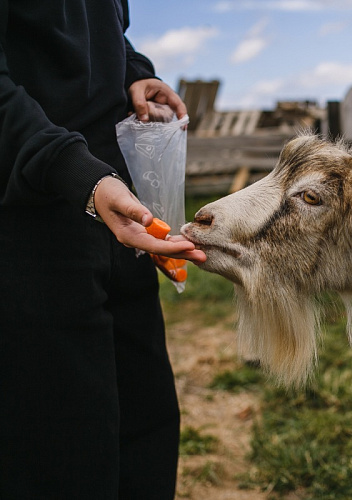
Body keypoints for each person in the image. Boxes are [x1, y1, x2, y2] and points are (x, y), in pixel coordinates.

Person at [0, 1, 206, 498]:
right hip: (29, 225)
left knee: (146, 426)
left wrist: (136, 73)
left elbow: (106, 37)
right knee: (61, 452)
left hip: (118, 208)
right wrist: (75, 172)